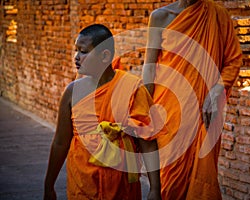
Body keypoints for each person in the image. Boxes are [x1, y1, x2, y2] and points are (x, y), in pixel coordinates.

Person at [44, 24, 163, 200]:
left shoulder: (131, 88)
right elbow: (61, 143)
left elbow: (147, 142)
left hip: (121, 185)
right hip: (83, 182)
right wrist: (48, 186)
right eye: (76, 51)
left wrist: (154, 188)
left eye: (83, 51)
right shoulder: (72, 92)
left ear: (105, 56)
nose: (76, 57)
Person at [142, 0, 242, 199]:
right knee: (169, 178)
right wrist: (144, 108)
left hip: (206, 112)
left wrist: (217, 90)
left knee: (202, 177)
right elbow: (150, 66)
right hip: (169, 109)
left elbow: (233, 60)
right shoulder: (160, 16)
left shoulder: (218, 15)